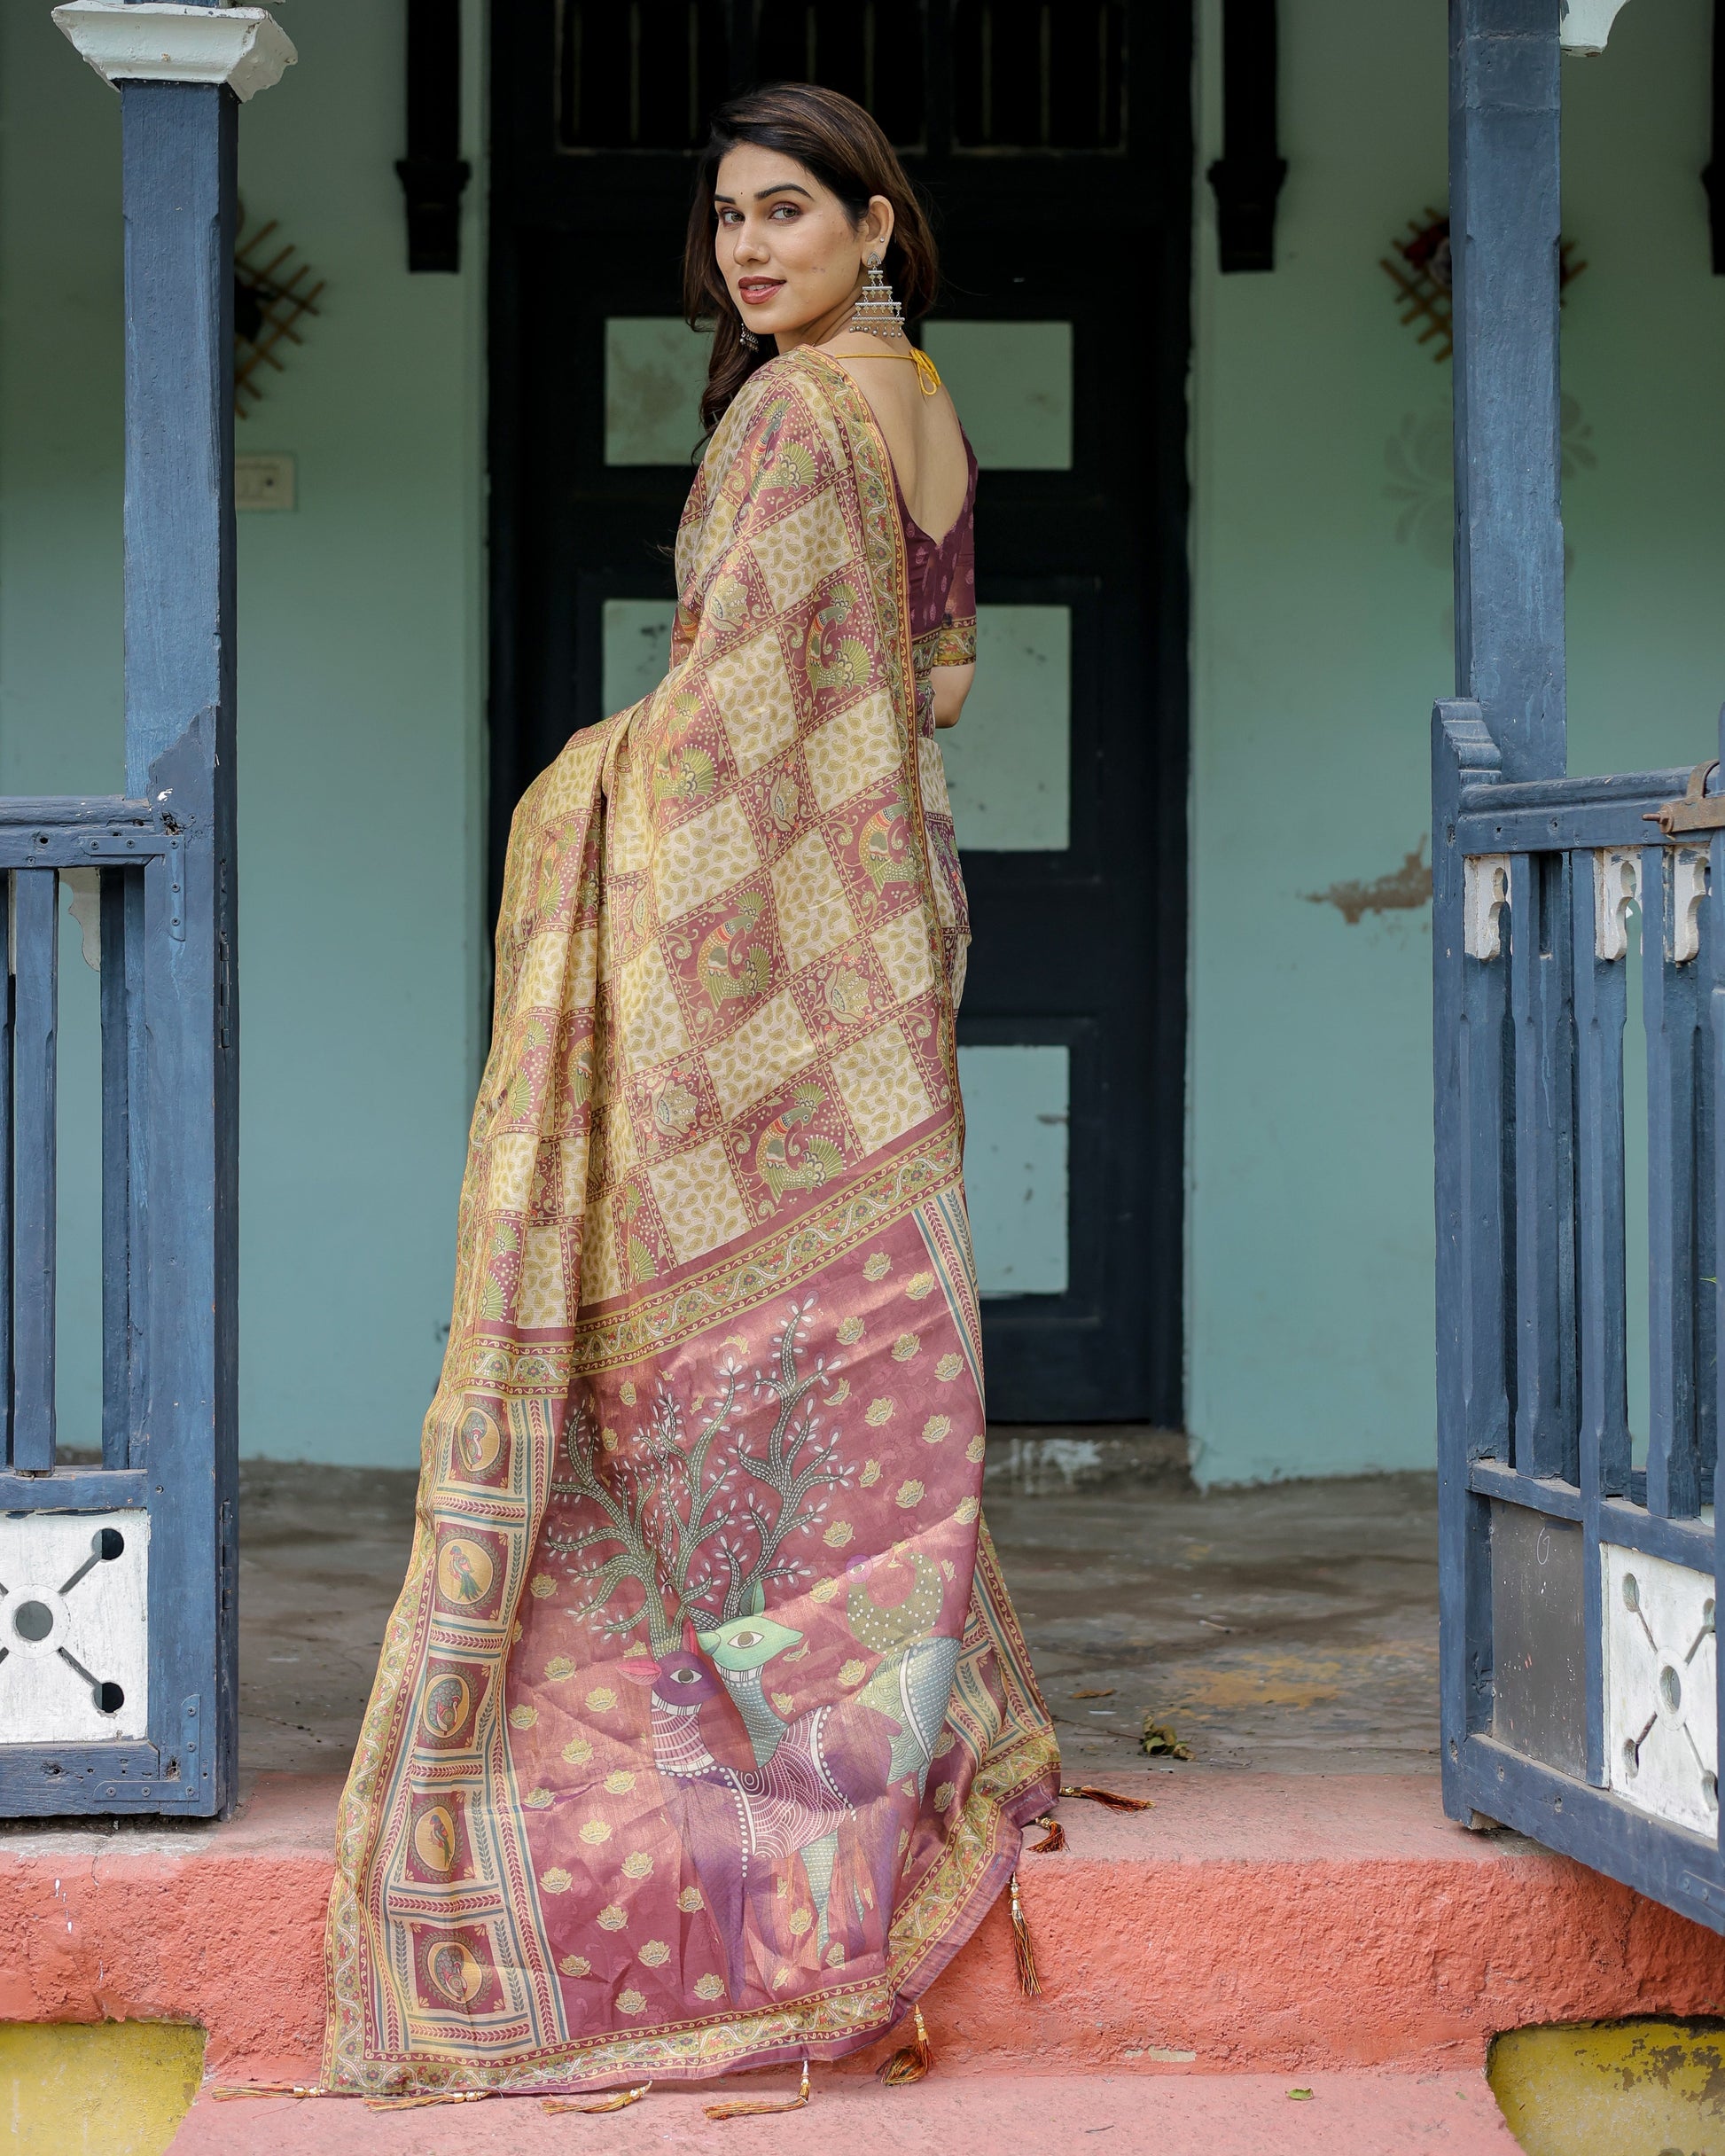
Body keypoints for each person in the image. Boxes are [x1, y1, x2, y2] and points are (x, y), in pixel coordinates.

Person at [323, 81, 1058, 2105]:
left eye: (789, 211)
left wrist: (581, 780)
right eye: (728, 217)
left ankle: (768, 1739)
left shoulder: (793, 415)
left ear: (875, 225)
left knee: (701, 1333)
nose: (748, 248)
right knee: (853, 1315)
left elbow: (734, 714)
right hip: (882, 916)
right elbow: (941, 685)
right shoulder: (920, 406)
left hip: (752, 948)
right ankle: (890, 1709)